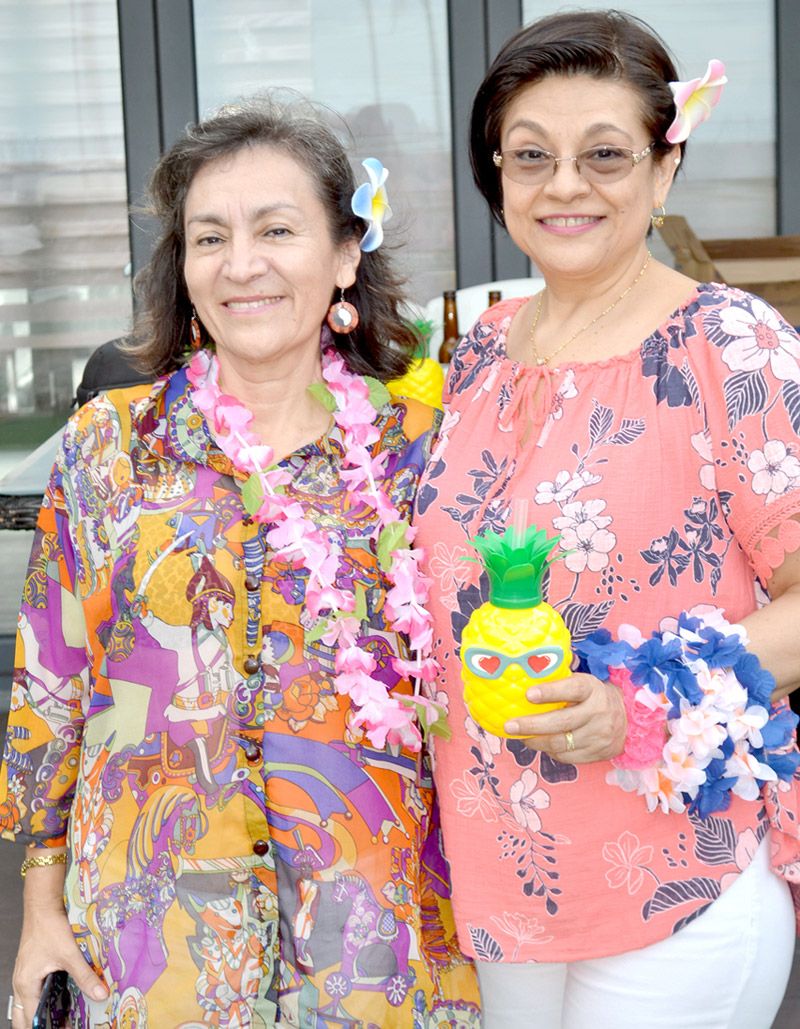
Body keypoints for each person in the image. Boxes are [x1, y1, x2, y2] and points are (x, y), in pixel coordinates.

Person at [0, 95, 481, 1027]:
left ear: (345, 254)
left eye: (277, 229)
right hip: (149, 949)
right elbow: (50, 690)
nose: (241, 264)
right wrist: (39, 905)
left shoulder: (424, 453)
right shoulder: (109, 447)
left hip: (369, 947)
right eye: (209, 238)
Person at [413, 10, 800, 1028]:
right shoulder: (480, 349)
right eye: (530, 155)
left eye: (604, 155)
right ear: (497, 177)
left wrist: (644, 699)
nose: (564, 185)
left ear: (663, 170)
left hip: (676, 878)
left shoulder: (730, 345)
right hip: (501, 880)